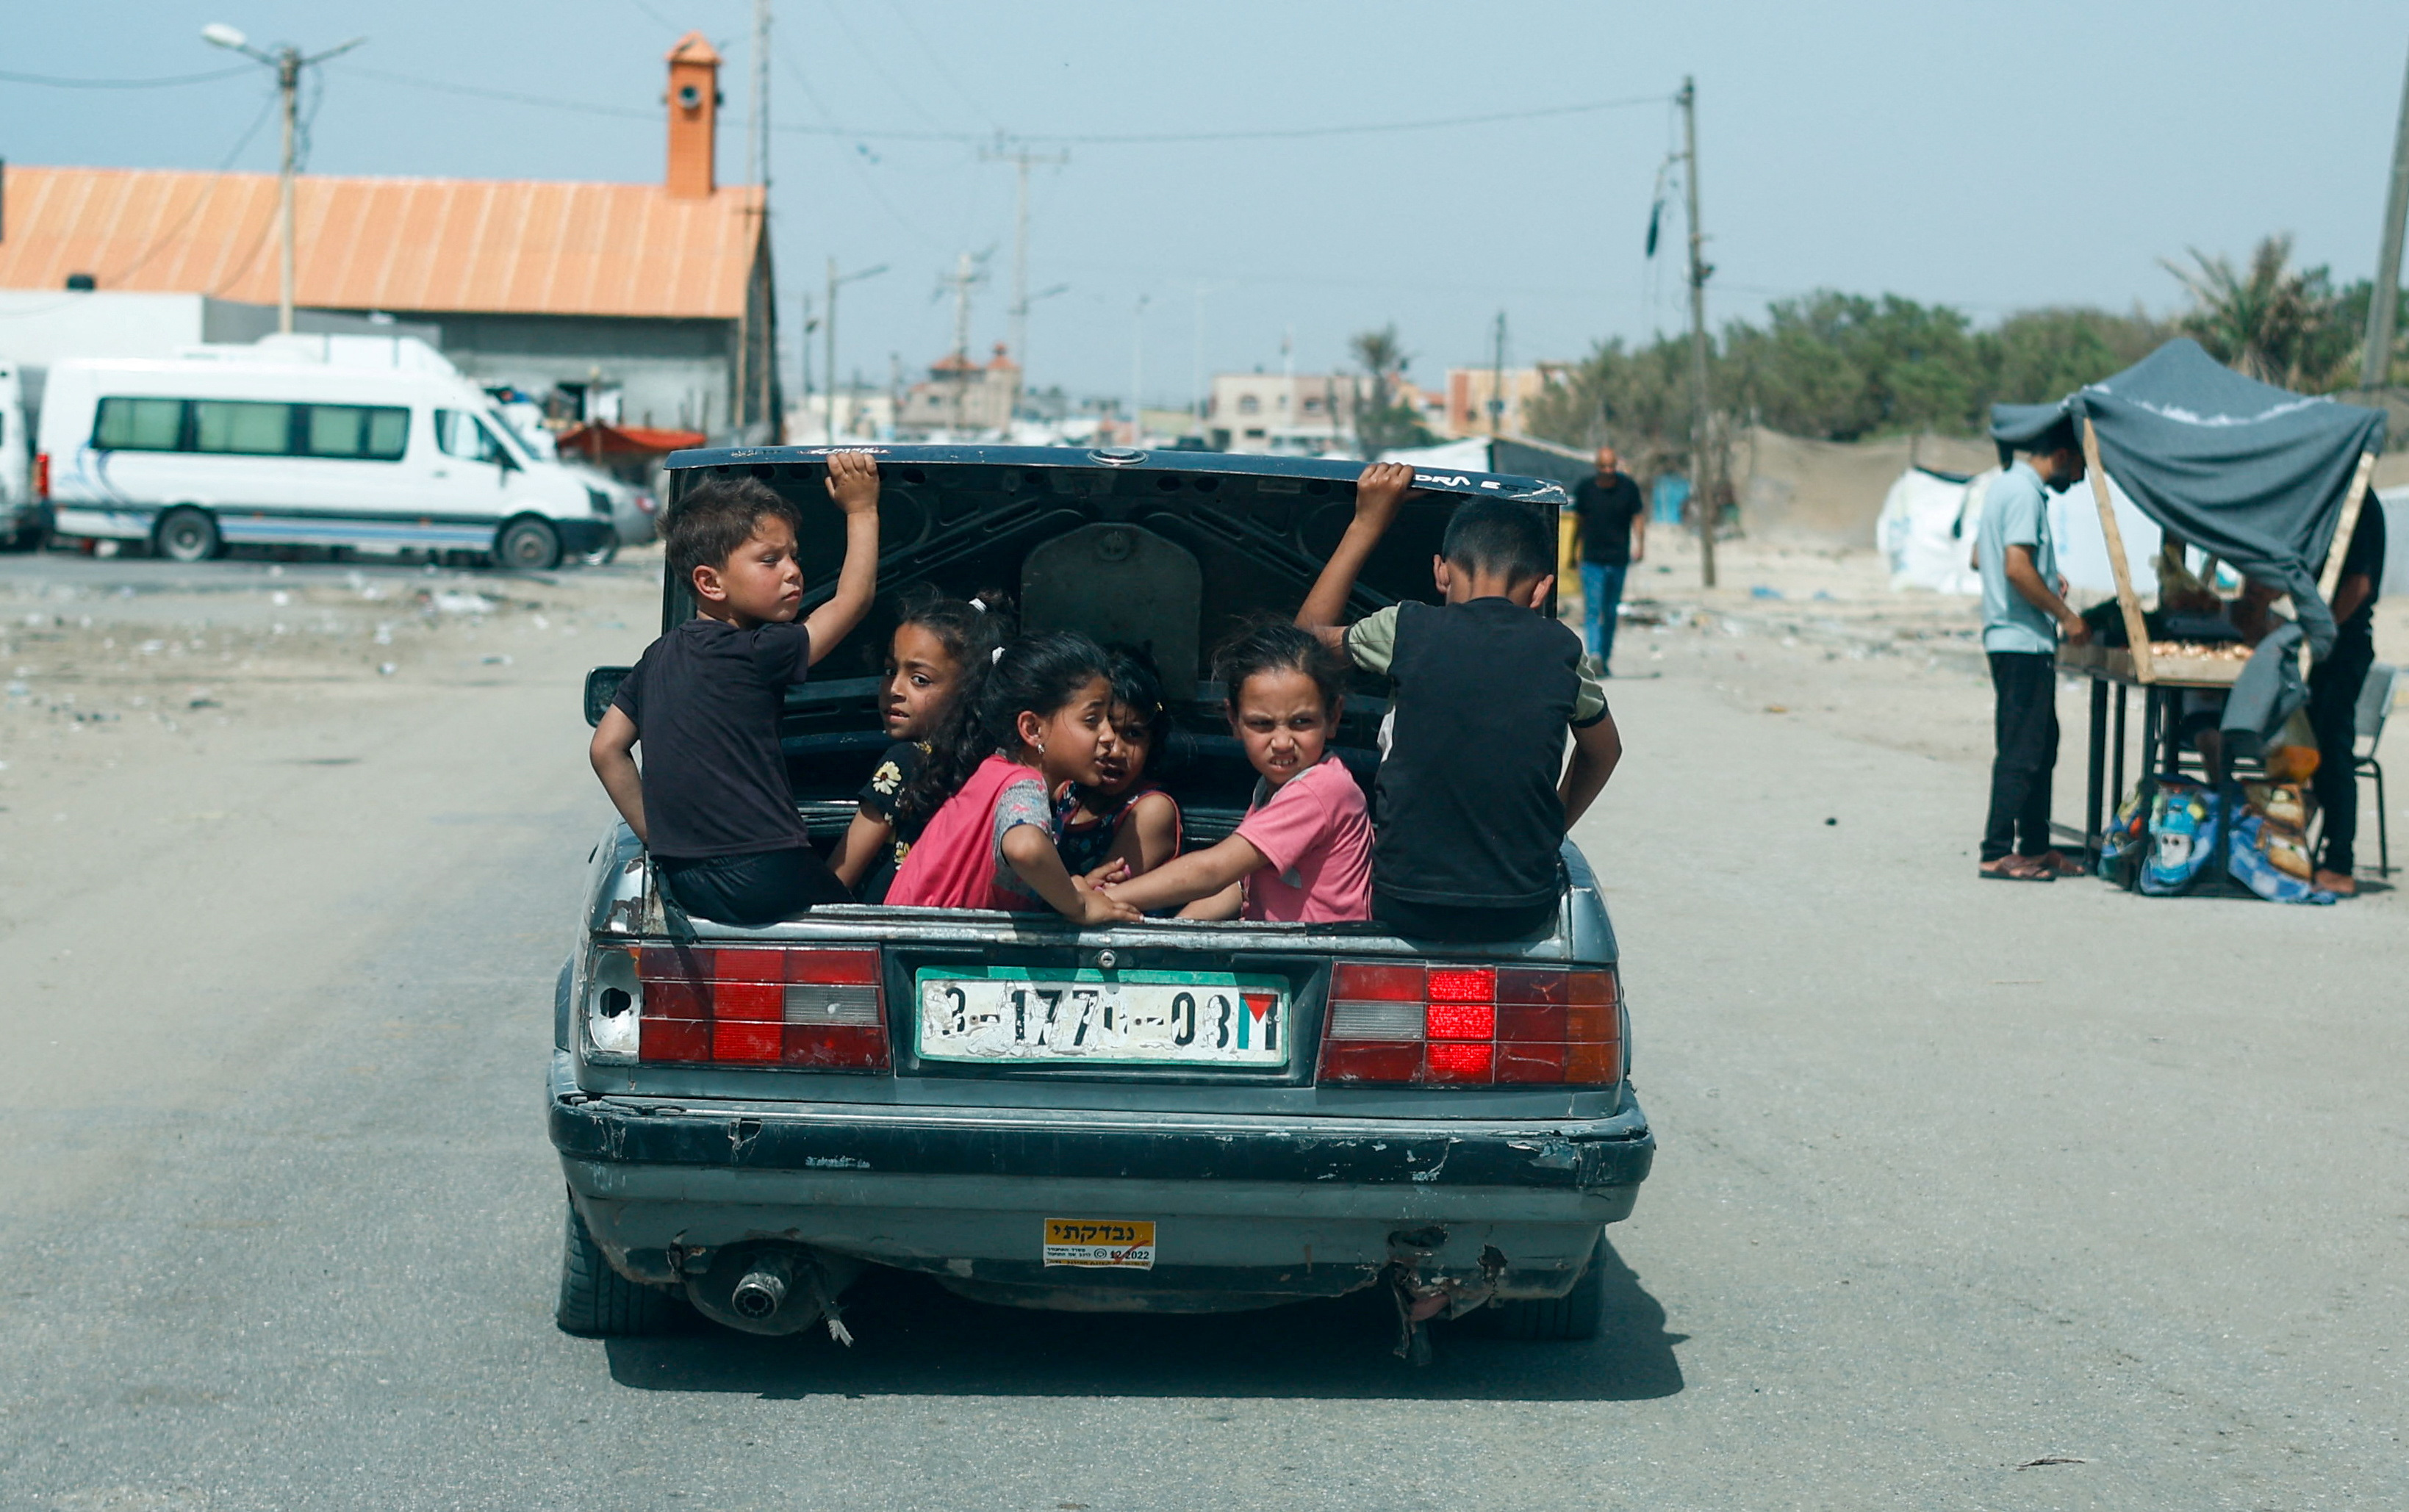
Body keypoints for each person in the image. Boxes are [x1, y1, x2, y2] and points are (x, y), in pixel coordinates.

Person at [1297, 463, 1622, 942]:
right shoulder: (1562, 650)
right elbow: (1605, 751)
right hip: (1520, 909)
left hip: (1403, 902)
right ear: (1541, 590)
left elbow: (1303, 641)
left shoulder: (1406, 628)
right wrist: (1548, 830)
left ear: (1440, 573)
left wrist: (1366, 523)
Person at [589, 455, 880, 926]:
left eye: (794, 556)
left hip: (687, 880)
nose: (793, 572)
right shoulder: (759, 650)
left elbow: (606, 749)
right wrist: (862, 509)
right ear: (709, 582)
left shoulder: (657, 656)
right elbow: (853, 600)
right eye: (770, 560)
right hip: (764, 868)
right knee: (869, 907)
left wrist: (659, 838)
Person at [1098, 622, 1371, 923]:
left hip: (1320, 961)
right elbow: (1238, 886)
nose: (1282, 743)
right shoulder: (1276, 788)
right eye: (1262, 724)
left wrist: (1094, 899)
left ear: (1333, 717)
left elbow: (1213, 870)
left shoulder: (1320, 790)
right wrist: (1172, 935)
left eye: (1302, 722)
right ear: (1233, 719)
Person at [884, 631, 1141, 925]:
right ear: (1032, 729)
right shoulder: (1023, 785)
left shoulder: (991, 773)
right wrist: (1079, 906)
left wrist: (1070, 886)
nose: (1109, 736)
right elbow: (1026, 849)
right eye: (1092, 720)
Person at [829, 588, 1010, 901]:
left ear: (968, 690)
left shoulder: (902, 761)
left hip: (883, 931)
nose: (894, 689)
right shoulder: (996, 767)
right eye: (890, 671)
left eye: (920, 679)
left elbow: (839, 875)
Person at [1973, 425, 2090, 882]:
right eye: (2079, 467)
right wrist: (2066, 616)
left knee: (2042, 743)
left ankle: (2036, 847)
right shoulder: (2024, 492)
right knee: (2022, 748)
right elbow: (2014, 568)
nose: (2078, 479)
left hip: (2017, 638)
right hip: (2020, 640)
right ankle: (1996, 851)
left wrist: (2045, 573)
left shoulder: (2004, 487)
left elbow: (1981, 557)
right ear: (2061, 455)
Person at [2308, 500, 2386, 896]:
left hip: (2345, 644)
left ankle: (2340, 860)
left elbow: (2358, 585)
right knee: (2311, 746)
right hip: (2326, 642)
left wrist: (2320, 632)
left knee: (2334, 746)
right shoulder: (2329, 498)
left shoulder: (2360, 506)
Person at [1055, 649, 1182, 881]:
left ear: (1152, 741)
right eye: (1100, 728)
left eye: (1133, 733)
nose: (1115, 751)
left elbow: (1096, 894)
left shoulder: (1151, 810)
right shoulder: (1070, 790)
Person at [1568, 446, 1645, 674]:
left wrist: (1641, 544)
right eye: (1604, 466)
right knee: (1593, 609)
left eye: (1612, 466)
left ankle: (1605, 657)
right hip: (1592, 560)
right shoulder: (1586, 489)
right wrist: (1573, 553)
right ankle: (1595, 654)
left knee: (1610, 611)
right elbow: (1578, 523)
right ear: (1597, 467)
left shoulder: (1628, 488)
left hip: (1618, 558)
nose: (1608, 470)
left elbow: (1638, 517)